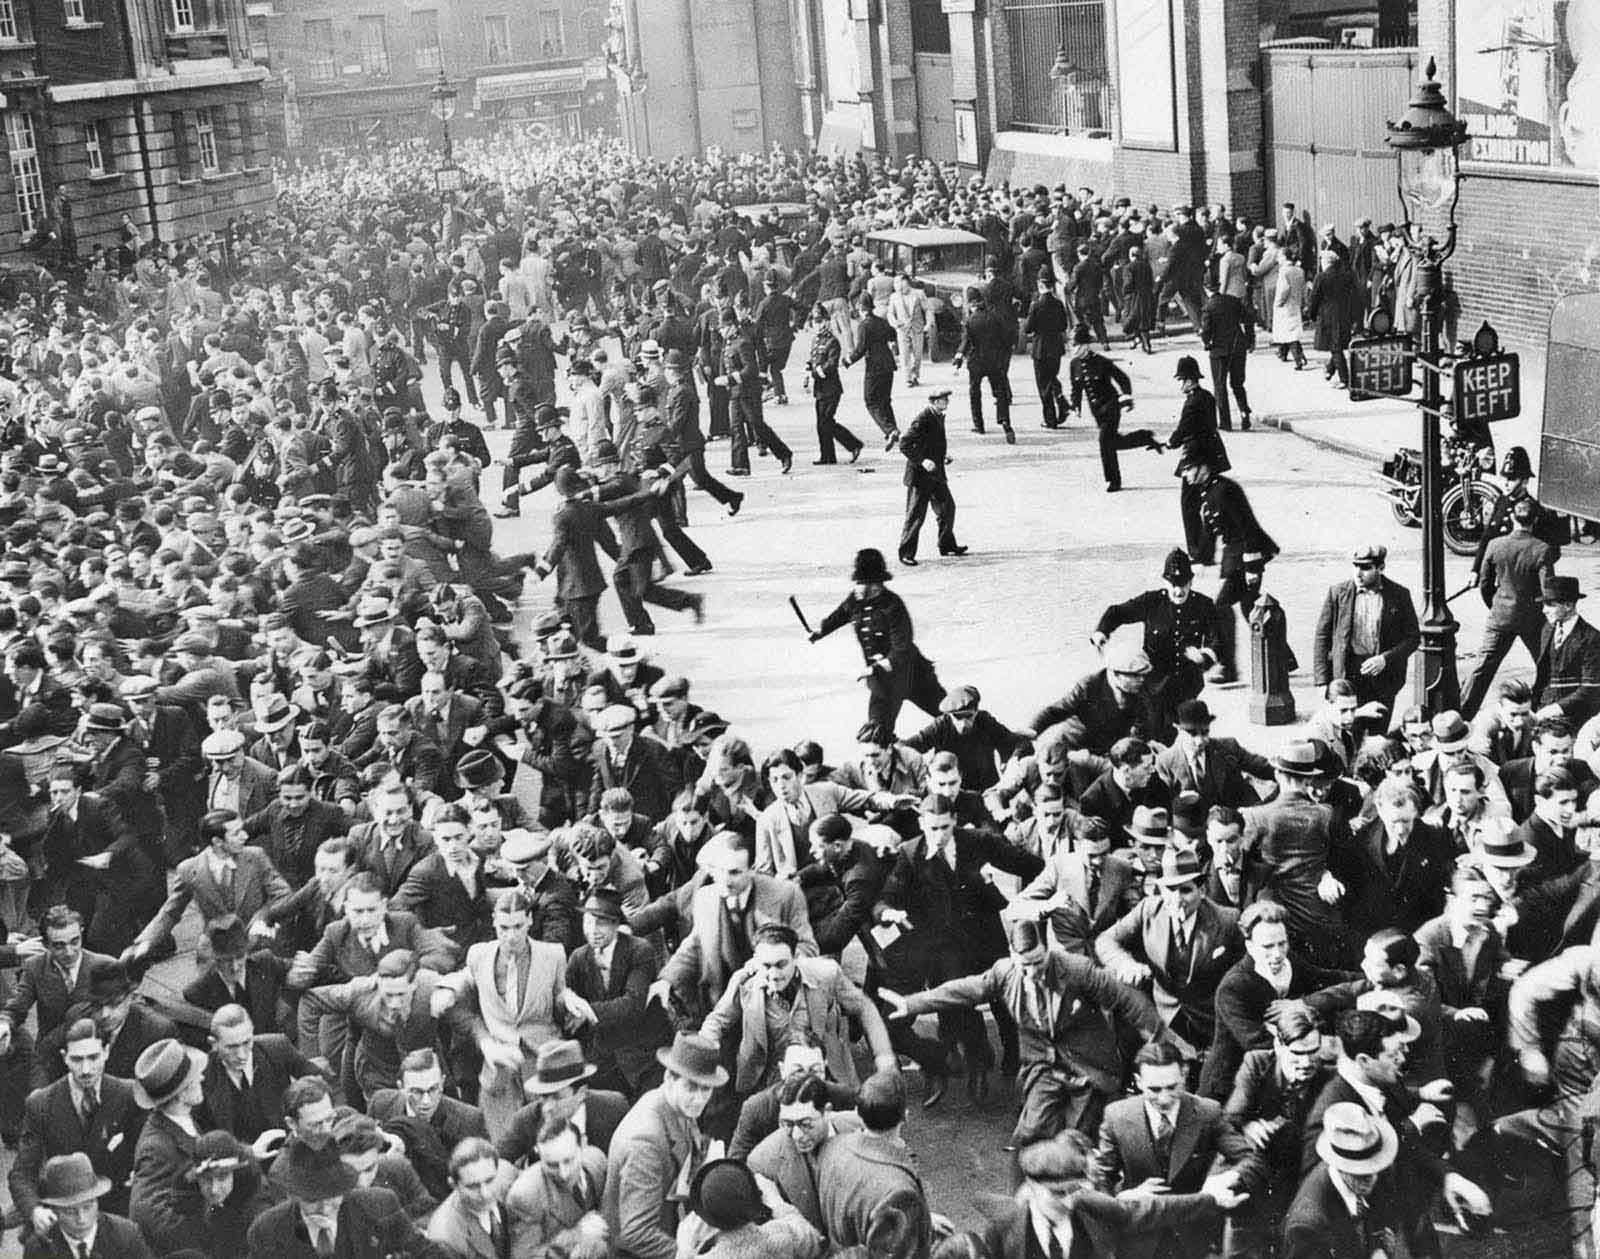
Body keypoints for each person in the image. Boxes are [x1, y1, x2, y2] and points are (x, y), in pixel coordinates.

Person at [883, 915, 1171, 1147]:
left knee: (1075, 1140)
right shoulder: (1004, 972)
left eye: (1039, 962)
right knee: (1029, 1136)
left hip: (1087, 1066)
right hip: (1042, 1066)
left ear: (1046, 951)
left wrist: (1161, 1043)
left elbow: (1126, 999)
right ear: (1012, 955)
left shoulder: (1077, 969)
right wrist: (912, 1004)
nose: (1033, 972)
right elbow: (965, 990)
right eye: (1026, 965)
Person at [983, 1131, 1244, 1259]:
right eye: (1056, 1193)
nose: (1067, 1202)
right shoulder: (1004, 1228)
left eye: (1073, 1190)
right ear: (1030, 1185)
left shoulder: (1089, 1205)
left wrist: (1211, 1199)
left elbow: (1149, 1210)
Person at [602, 1031, 725, 1259]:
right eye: (691, 1087)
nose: (699, 1099)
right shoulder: (644, 1141)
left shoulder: (674, 1103)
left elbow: (685, 1151)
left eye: (706, 1089)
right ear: (669, 1078)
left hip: (666, 1226)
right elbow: (636, 1233)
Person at [809, 549, 946, 733]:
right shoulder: (856, 598)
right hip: (883, 683)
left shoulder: (893, 605)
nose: (865, 589)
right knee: (877, 732)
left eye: (872, 584)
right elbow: (841, 614)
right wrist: (821, 631)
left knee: (949, 715)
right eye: (862, 584)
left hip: (914, 676)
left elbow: (902, 648)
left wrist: (878, 667)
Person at [1461, 497, 1556, 718]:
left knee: (1482, 668)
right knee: (1547, 666)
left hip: (1500, 616)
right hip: (1532, 619)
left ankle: (1463, 714)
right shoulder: (1542, 549)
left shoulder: (1495, 545)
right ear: (1535, 520)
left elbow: (1485, 584)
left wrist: (1496, 604)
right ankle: (1540, 711)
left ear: (1512, 517)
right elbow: (1548, 590)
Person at [816, 1071, 930, 1253]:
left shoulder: (832, 1146)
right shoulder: (900, 1190)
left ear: (859, 1115)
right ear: (905, 1116)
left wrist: (923, 1221)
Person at [1312, 545, 1420, 737]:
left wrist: (1385, 659)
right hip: (1348, 674)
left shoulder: (1399, 595)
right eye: (1355, 566)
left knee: (1378, 734)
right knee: (1349, 732)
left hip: (1384, 676)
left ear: (1381, 567)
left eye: (1366, 567)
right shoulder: (1338, 593)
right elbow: (1322, 637)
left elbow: (1413, 638)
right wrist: (1322, 681)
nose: (1358, 573)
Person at [1281, 1102, 1401, 1259]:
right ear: (1340, 1164)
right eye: (1360, 1172)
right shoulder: (1307, 1227)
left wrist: (1377, 1249)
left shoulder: (1357, 1180)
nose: (1372, 1179)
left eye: (1373, 1168)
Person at [1067, 326, 1156, 493]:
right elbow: (1076, 388)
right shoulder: (1074, 364)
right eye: (1072, 346)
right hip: (1096, 411)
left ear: (1086, 346)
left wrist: (1126, 397)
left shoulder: (1101, 362)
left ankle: (1113, 480)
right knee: (1114, 442)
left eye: (1077, 345)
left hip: (1111, 406)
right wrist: (1076, 405)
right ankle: (1143, 437)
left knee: (1104, 442)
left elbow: (1123, 379)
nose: (1074, 349)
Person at [23, 1152, 154, 1259]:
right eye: (70, 1211)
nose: (81, 1219)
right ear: (54, 1210)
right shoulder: (38, 1249)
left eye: (87, 1207)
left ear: (97, 1202)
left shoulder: (127, 1236)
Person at [1168, 358, 1230, 561]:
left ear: (1190, 380)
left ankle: (1196, 549)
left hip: (1195, 457)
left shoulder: (1192, 402)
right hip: (1211, 454)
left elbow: (1184, 429)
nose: (1180, 384)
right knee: (1208, 501)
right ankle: (1210, 546)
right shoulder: (1207, 397)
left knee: (1189, 504)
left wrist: (1171, 443)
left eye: (1182, 380)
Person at [896, 387, 965, 567]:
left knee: (947, 508)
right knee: (915, 516)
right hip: (920, 477)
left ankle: (947, 545)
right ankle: (906, 553)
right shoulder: (923, 418)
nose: (947, 402)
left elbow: (930, 443)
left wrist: (942, 457)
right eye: (944, 399)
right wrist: (922, 461)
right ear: (935, 402)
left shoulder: (938, 415)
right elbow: (904, 444)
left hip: (935, 474)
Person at [1533, 573, 1600, 727]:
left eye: (1550, 605)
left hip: (1575, 716)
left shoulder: (1592, 638)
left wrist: (1553, 710)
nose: (1544, 610)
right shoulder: (1547, 629)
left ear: (1569, 606)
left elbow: (1590, 690)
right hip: (1542, 709)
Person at [953, 288, 1015, 444]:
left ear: (971, 303)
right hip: (995, 361)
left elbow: (966, 342)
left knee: (975, 391)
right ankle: (1005, 422)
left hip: (976, 362)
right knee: (1000, 392)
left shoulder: (970, 320)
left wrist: (959, 357)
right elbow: (1006, 339)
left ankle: (979, 424)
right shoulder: (995, 317)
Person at [803, 304, 862, 465]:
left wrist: (815, 373)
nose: (818, 324)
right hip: (819, 389)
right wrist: (808, 373)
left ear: (827, 322)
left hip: (831, 388)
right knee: (821, 423)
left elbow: (831, 365)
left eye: (821, 321)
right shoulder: (816, 340)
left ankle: (854, 445)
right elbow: (813, 360)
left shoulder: (832, 341)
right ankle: (827, 456)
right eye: (816, 321)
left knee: (826, 421)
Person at [844, 291, 901, 450]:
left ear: (860, 309)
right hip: (888, 364)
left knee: (870, 401)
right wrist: (890, 344)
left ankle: (890, 430)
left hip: (874, 366)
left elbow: (861, 349)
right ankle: (894, 429)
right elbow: (892, 334)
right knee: (885, 399)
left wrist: (848, 360)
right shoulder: (881, 321)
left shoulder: (864, 325)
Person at [1198, 282, 1252, 431]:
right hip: (1238, 346)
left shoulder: (1208, 307)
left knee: (1220, 386)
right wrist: (1250, 339)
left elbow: (1206, 331)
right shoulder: (1233, 301)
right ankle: (1244, 412)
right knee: (1237, 384)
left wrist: (1206, 342)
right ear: (1219, 286)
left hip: (1219, 351)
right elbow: (1248, 319)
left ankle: (1225, 422)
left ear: (1205, 289)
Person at [1024, 273, 1070, 429]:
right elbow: (1064, 325)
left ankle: (1050, 419)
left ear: (1040, 286)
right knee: (1052, 378)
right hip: (1056, 347)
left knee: (1043, 384)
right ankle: (1061, 401)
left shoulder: (1036, 305)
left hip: (1041, 348)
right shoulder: (1058, 304)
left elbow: (1028, 328)